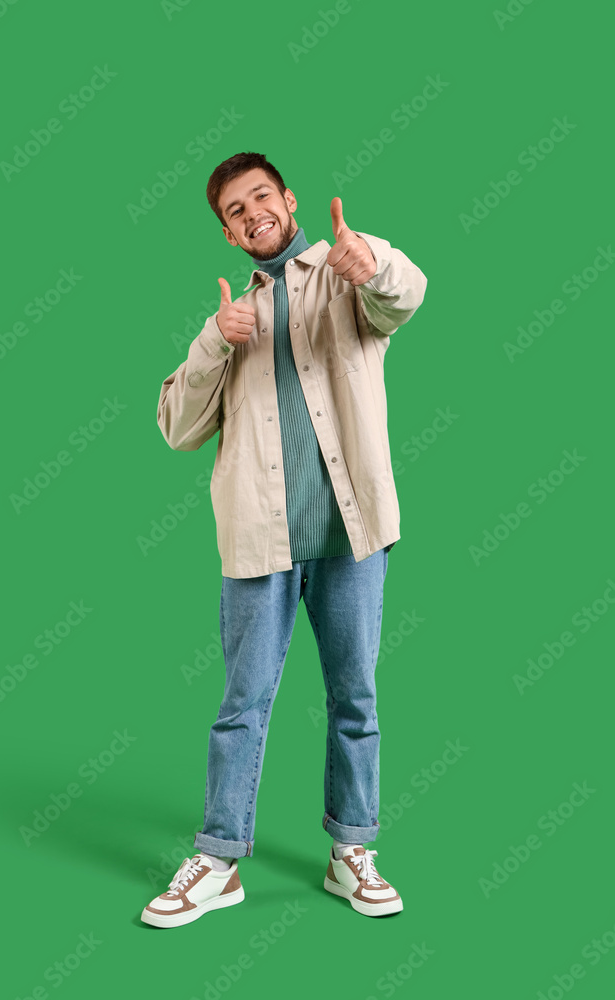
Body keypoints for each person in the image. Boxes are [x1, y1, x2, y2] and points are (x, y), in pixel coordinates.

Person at [141, 151, 427, 928]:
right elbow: (175, 429)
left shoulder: (346, 268)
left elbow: (404, 296)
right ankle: (220, 860)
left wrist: (371, 264)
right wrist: (212, 342)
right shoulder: (229, 318)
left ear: (287, 199)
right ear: (228, 235)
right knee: (242, 704)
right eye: (233, 211)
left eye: (259, 197)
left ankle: (351, 850)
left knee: (355, 696)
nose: (250, 213)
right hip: (258, 542)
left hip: (351, 535)